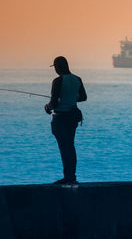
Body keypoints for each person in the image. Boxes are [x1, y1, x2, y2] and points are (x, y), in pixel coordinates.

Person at [45, 56, 87, 184]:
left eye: (55, 67)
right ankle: (72, 176)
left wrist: (47, 107)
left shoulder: (57, 81)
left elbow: (54, 104)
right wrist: (71, 98)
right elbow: (83, 97)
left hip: (61, 119)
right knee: (70, 147)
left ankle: (68, 177)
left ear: (57, 67)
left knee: (64, 148)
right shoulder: (77, 79)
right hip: (72, 118)